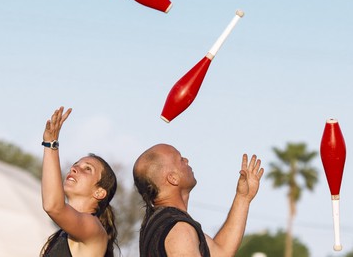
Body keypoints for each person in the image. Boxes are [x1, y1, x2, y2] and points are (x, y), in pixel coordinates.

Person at [133, 143, 264, 257]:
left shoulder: (163, 224)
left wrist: (243, 198)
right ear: (173, 178)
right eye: (180, 159)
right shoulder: (179, 230)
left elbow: (221, 252)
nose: (186, 160)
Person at [40, 106, 118, 257]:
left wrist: (51, 144)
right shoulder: (60, 236)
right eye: (75, 164)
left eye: (87, 169)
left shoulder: (93, 228)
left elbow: (53, 206)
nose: (74, 168)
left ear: (100, 192)